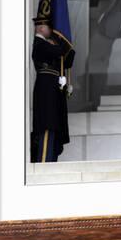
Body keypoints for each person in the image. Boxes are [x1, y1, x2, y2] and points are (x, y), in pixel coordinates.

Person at [30, 16, 75, 163]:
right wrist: (63, 37)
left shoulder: (47, 45)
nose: (52, 32)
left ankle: (50, 159)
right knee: (47, 127)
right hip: (46, 91)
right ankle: (44, 161)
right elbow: (60, 51)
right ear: (42, 28)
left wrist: (69, 48)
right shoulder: (40, 44)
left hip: (52, 91)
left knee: (54, 127)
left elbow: (66, 60)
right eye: (51, 29)